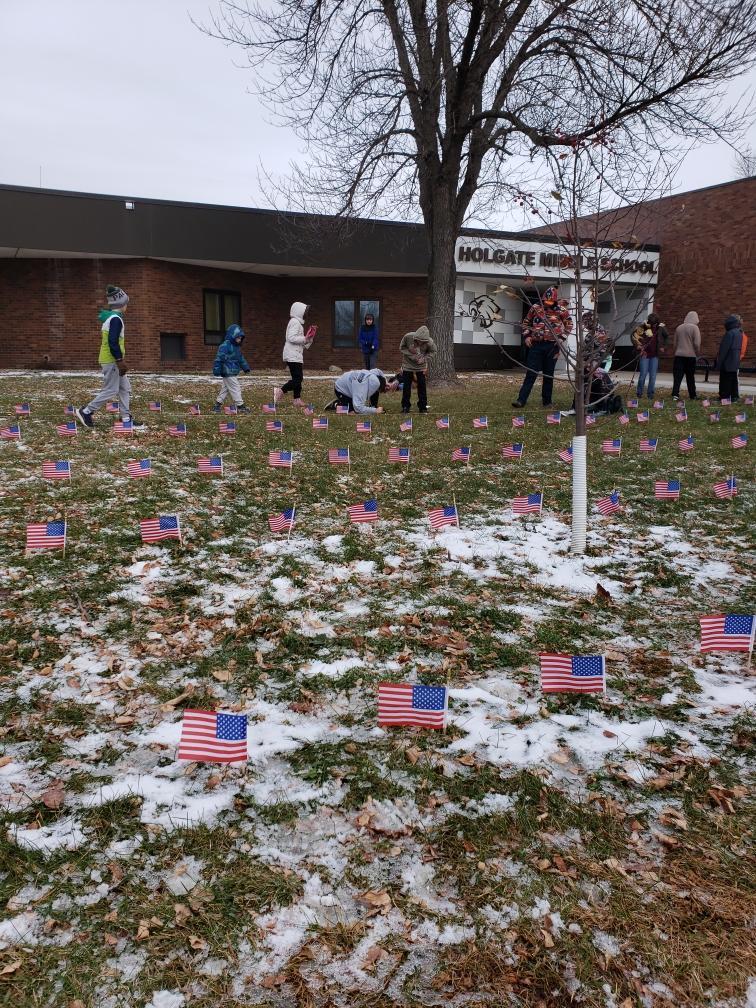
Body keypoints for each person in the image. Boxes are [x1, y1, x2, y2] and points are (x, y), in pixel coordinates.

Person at [74, 285, 143, 429]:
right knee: (111, 390)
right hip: (112, 361)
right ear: (121, 304)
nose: (127, 307)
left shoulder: (112, 318)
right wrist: (119, 360)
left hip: (113, 361)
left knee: (125, 388)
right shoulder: (115, 320)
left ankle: (125, 419)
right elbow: (113, 341)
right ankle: (86, 411)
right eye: (126, 304)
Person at [511, 286, 572, 408]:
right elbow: (526, 322)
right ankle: (521, 400)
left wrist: (561, 338)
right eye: (546, 301)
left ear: (554, 300)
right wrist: (527, 336)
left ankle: (547, 401)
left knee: (548, 374)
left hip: (552, 346)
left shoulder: (562, 310)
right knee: (531, 373)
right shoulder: (535, 308)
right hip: (536, 345)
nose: (548, 303)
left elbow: (569, 325)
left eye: (550, 302)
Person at [274, 301, 314, 407]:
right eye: (305, 312)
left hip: (296, 355)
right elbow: (291, 338)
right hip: (292, 356)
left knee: (297, 378)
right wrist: (305, 338)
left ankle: (297, 399)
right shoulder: (295, 322)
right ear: (299, 312)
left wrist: (309, 338)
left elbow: (303, 343)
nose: (306, 314)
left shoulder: (298, 324)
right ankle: (281, 390)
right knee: (298, 379)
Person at [211, 324, 251, 413]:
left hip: (232, 371)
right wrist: (217, 368)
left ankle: (217, 405)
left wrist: (246, 368)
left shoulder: (237, 348)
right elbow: (219, 357)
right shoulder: (225, 345)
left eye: (241, 338)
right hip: (227, 370)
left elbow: (240, 358)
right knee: (235, 387)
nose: (239, 340)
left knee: (225, 389)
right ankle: (240, 406)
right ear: (232, 336)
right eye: (238, 338)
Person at [325, 368, 398, 413]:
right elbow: (358, 408)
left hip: (349, 386)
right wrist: (375, 411)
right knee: (352, 412)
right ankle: (336, 405)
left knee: (356, 404)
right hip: (340, 390)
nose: (386, 390)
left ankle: (373, 406)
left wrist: (386, 382)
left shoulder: (372, 374)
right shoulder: (361, 386)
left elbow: (378, 371)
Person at [399, 325, 436, 413]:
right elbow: (402, 348)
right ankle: (405, 406)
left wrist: (424, 358)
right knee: (407, 386)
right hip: (407, 365)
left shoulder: (430, 342)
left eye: (422, 341)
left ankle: (423, 407)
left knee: (422, 386)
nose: (420, 343)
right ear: (415, 337)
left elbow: (433, 351)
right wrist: (412, 356)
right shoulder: (407, 337)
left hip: (421, 366)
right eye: (419, 341)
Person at [631, 313, 667, 398]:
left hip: (655, 355)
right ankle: (639, 393)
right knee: (643, 374)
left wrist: (663, 346)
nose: (653, 325)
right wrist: (638, 345)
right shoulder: (643, 326)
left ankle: (650, 394)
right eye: (651, 324)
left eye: (655, 324)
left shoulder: (661, 327)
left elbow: (666, 337)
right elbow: (633, 336)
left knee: (653, 375)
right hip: (644, 354)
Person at [670, 311, 701, 400]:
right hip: (690, 356)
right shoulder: (695, 328)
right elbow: (697, 343)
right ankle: (693, 395)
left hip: (679, 355)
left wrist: (674, 352)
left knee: (677, 376)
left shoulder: (679, 327)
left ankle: (675, 394)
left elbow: (674, 343)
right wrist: (697, 352)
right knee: (690, 376)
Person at [717, 314, 744, 402]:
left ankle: (724, 397)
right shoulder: (740, 333)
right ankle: (734, 396)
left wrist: (719, 363)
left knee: (725, 380)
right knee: (733, 379)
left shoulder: (729, 333)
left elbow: (724, 349)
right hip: (735, 360)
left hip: (727, 361)